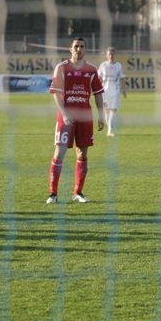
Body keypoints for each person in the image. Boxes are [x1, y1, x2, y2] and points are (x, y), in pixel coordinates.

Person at [46, 37, 105, 204]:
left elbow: (98, 93)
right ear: (70, 49)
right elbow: (57, 94)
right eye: (76, 46)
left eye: (82, 46)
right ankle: (53, 194)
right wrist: (64, 114)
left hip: (85, 117)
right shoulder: (62, 68)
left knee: (82, 153)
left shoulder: (92, 70)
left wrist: (100, 115)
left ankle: (78, 193)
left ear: (85, 49)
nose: (79, 49)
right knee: (60, 153)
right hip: (66, 117)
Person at [97, 46, 127, 136]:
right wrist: (98, 87)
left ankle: (110, 130)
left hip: (115, 91)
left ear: (115, 55)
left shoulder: (118, 66)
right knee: (106, 110)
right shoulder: (103, 65)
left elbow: (122, 78)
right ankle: (110, 128)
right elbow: (98, 77)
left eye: (113, 54)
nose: (111, 56)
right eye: (109, 54)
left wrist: (124, 89)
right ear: (107, 55)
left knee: (113, 110)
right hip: (105, 92)